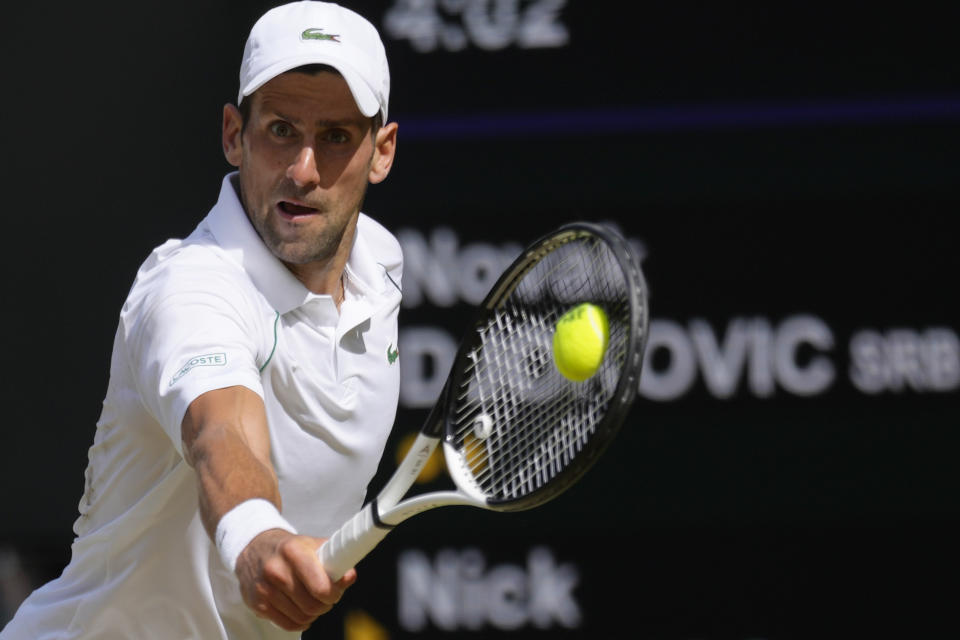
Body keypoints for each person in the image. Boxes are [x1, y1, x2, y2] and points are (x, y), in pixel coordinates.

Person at [0, 2, 401, 638]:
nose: (302, 169)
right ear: (233, 134)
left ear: (381, 153)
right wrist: (256, 535)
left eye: (335, 137)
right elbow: (220, 433)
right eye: (280, 131)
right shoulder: (188, 287)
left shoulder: (381, 267)